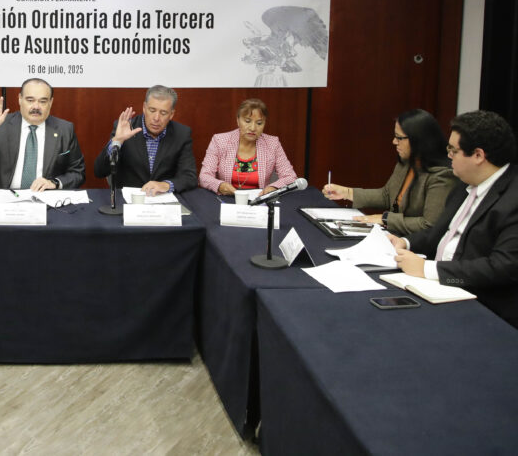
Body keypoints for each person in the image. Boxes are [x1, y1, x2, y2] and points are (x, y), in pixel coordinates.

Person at [387, 110, 518, 327]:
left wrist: (428, 269)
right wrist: (405, 242)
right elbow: (439, 232)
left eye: (453, 151)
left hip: (481, 307)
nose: (448, 156)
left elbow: (502, 267)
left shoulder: (512, 199)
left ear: (478, 155)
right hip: (436, 287)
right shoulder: (465, 183)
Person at [323, 109, 457, 235]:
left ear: (418, 139)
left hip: (412, 243)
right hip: (392, 234)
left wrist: (385, 219)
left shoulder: (442, 175)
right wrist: (347, 193)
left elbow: (429, 225)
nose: (394, 142)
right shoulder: (407, 162)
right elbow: (387, 196)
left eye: (399, 138)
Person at [0, 79, 85, 191]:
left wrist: (54, 183)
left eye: (43, 101)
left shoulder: (64, 129)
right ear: (20, 99)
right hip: (6, 197)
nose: (36, 107)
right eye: (30, 100)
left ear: (51, 102)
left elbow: (78, 173)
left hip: (45, 197)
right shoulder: (2, 124)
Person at [94, 85, 197, 194]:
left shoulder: (181, 134)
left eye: (163, 113)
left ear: (171, 114)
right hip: (129, 199)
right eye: (152, 110)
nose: (156, 118)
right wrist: (117, 141)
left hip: (162, 199)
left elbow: (189, 177)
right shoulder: (126, 128)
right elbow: (99, 171)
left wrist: (166, 185)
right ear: (144, 107)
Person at [198, 97, 297, 197]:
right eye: (247, 121)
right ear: (238, 120)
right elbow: (204, 176)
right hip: (227, 199)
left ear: (264, 124)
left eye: (259, 123)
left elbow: (290, 177)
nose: (253, 128)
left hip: (259, 200)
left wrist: (274, 187)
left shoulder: (272, 143)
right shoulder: (220, 141)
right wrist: (219, 185)